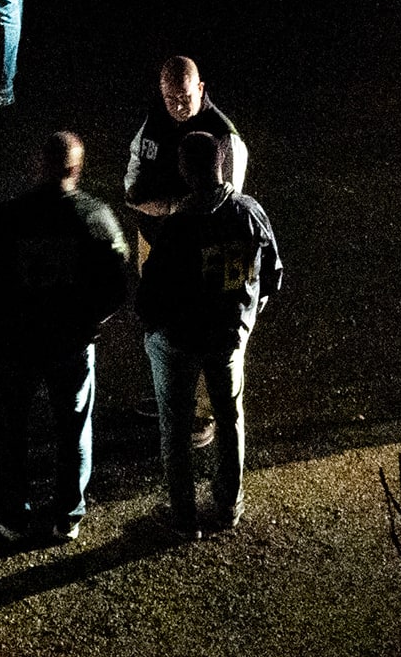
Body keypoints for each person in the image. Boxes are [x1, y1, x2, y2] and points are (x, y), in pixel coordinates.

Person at [0, 132, 132, 545]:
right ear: (76, 169)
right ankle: (67, 515)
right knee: (73, 427)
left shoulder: (5, 220)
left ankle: (10, 512)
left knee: (11, 427)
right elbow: (117, 285)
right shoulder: (96, 218)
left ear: (36, 167)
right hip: (70, 344)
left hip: (13, 345)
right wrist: (92, 322)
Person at [137, 132, 283, 539]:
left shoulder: (177, 227)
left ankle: (183, 517)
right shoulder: (249, 213)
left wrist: (155, 331)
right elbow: (272, 277)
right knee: (230, 416)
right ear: (222, 164)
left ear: (184, 171)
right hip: (228, 339)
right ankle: (228, 505)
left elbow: (149, 297)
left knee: (176, 426)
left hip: (180, 342)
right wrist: (245, 320)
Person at [124, 56, 250, 267]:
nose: (179, 106)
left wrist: (172, 208)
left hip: (200, 249)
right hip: (152, 238)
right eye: (170, 99)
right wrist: (134, 192)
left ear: (200, 88)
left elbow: (229, 202)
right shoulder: (155, 117)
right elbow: (137, 157)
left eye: (185, 97)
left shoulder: (224, 135)